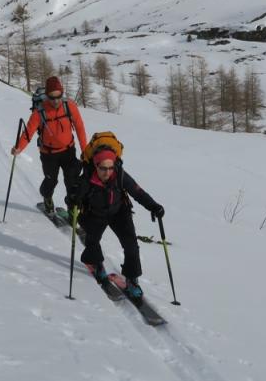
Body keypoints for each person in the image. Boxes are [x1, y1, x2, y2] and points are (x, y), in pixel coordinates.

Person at [67, 147, 164, 299]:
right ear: (96, 165)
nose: (107, 172)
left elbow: (137, 192)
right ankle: (97, 264)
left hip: (119, 212)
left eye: (110, 168)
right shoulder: (86, 179)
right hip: (94, 213)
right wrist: (73, 199)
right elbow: (72, 198)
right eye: (103, 168)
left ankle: (132, 279)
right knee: (92, 241)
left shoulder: (120, 176)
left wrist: (154, 206)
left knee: (131, 245)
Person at [11, 76, 87, 213]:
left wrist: (85, 151)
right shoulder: (39, 112)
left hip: (69, 151)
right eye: (52, 97)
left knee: (72, 183)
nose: (56, 100)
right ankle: (47, 198)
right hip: (49, 154)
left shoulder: (69, 106)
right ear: (46, 96)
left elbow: (80, 128)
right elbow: (28, 132)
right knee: (50, 182)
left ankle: (72, 211)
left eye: (59, 96)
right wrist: (19, 147)